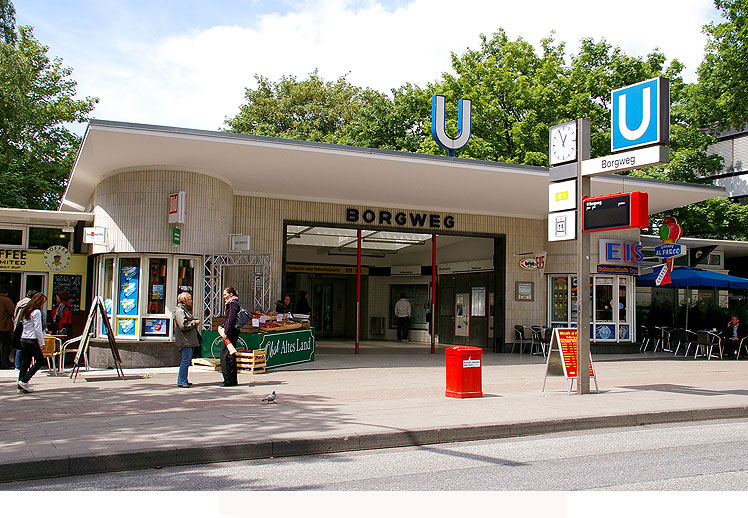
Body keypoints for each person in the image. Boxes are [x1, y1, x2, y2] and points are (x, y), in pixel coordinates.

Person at [17, 293, 48, 393]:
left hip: (24, 338)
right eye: (43, 302)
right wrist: (42, 342)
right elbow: (37, 328)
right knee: (40, 360)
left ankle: (20, 384)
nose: (43, 305)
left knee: (25, 362)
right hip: (32, 339)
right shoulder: (37, 312)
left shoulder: (26, 311)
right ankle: (24, 380)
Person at [173, 291, 200, 388]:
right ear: (184, 301)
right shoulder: (180, 311)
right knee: (185, 360)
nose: (191, 301)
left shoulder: (186, 310)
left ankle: (184, 379)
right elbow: (183, 325)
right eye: (189, 299)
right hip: (185, 340)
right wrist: (194, 323)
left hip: (189, 340)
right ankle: (182, 380)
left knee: (187, 360)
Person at [218, 287, 239, 387]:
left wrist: (225, 331)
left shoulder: (232, 303)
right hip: (232, 331)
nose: (224, 297)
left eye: (225, 294)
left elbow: (231, 318)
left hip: (230, 332)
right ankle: (233, 380)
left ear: (231, 294)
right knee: (231, 355)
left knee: (224, 355)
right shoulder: (233, 302)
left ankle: (228, 380)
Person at [13, 290, 38, 370]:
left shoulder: (20, 302)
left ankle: (17, 365)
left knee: (19, 346)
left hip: (18, 325)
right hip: (26, 327)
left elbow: (14, 314)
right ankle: (23, 366)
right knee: (25, 348)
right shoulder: (31, 304)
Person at [0, 286, 15, 369]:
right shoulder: (6, 300)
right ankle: (4, 363)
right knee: (5, 346)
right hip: (4, 327)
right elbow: (13, 311)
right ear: (7, 293)